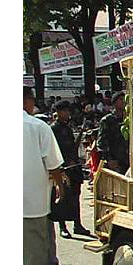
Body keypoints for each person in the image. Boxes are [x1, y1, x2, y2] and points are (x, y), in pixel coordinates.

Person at [23, 87, 65, 265]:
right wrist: (59, 186)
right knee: (34, 248)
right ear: (28, 102)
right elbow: (53, 164)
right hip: (31, 200)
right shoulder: (38, 126)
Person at [50, 100, 90, 238]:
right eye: (64, 110)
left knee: (76, 196)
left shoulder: (67, 128)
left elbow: (73, 147)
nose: (67, 113)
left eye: (68, 110)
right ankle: (63, 227)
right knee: (62, 196)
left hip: (74, 167)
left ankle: (77, 225)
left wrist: (82, 132)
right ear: (58, 112)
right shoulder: (53, 129)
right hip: (63, 167)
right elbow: (54, 150)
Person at [97, 92, 129, 174]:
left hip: (128, 160)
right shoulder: (107, 120)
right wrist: (109, 159)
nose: (123, 102)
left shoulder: (129, 120)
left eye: (124, 99)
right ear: (114, 102)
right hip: (114, 162)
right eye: (120, 99)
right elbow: (101, 143)